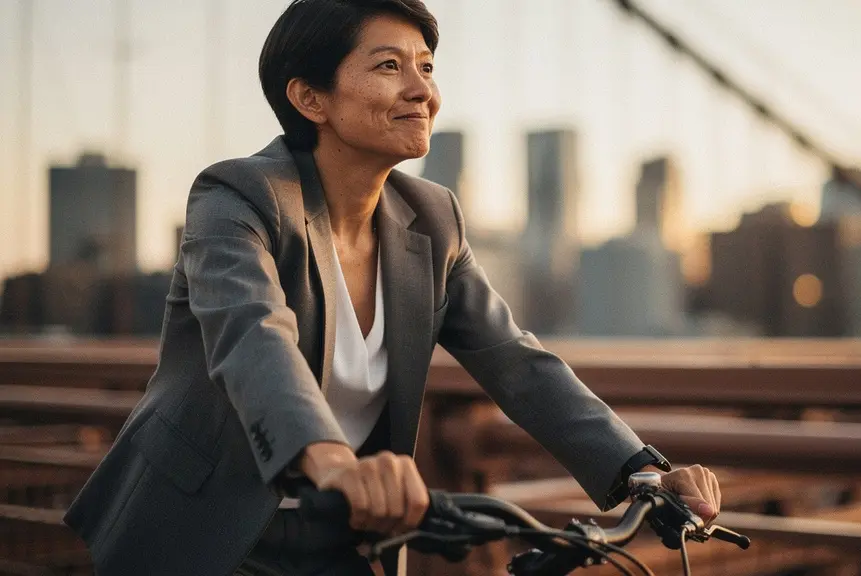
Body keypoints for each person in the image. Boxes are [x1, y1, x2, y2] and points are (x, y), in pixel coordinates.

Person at [63, 1, 722, 575]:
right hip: (202, 532)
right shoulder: (238, 196)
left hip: (337, 534)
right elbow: (252, 338)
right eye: (389, 67)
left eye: (427, 68)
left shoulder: (434, 219)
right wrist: (332, 462)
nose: (422, 91)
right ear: (310, 98)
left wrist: (640, 473)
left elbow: (519, 363)